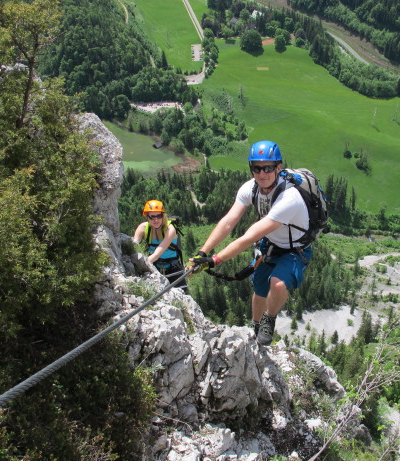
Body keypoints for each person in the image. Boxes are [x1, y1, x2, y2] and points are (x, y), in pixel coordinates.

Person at [187, 140, 312, 346]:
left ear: (278, 168)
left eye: (268, 168)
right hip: (270, 245)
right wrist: (203, 251)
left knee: (278, 284)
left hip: (294, 249)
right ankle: (256, 327)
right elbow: (228, 222)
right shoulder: (251, 188)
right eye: (256, 168)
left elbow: (249, 236)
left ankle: (268, 320)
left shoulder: (290, 197)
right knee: (260, 289)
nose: (262, 174)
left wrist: (215, 259)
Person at [133, 200, 187, 290]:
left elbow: (157, 253)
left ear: (163, 216)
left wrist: (141, 264)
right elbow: (133, 246)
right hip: (154, 266)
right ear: (147, 217)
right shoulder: (143, 228)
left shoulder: (170, 229)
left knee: (182, 297)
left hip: (173, 268)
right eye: (152, 217)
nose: (156, 220)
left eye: (159, 216)